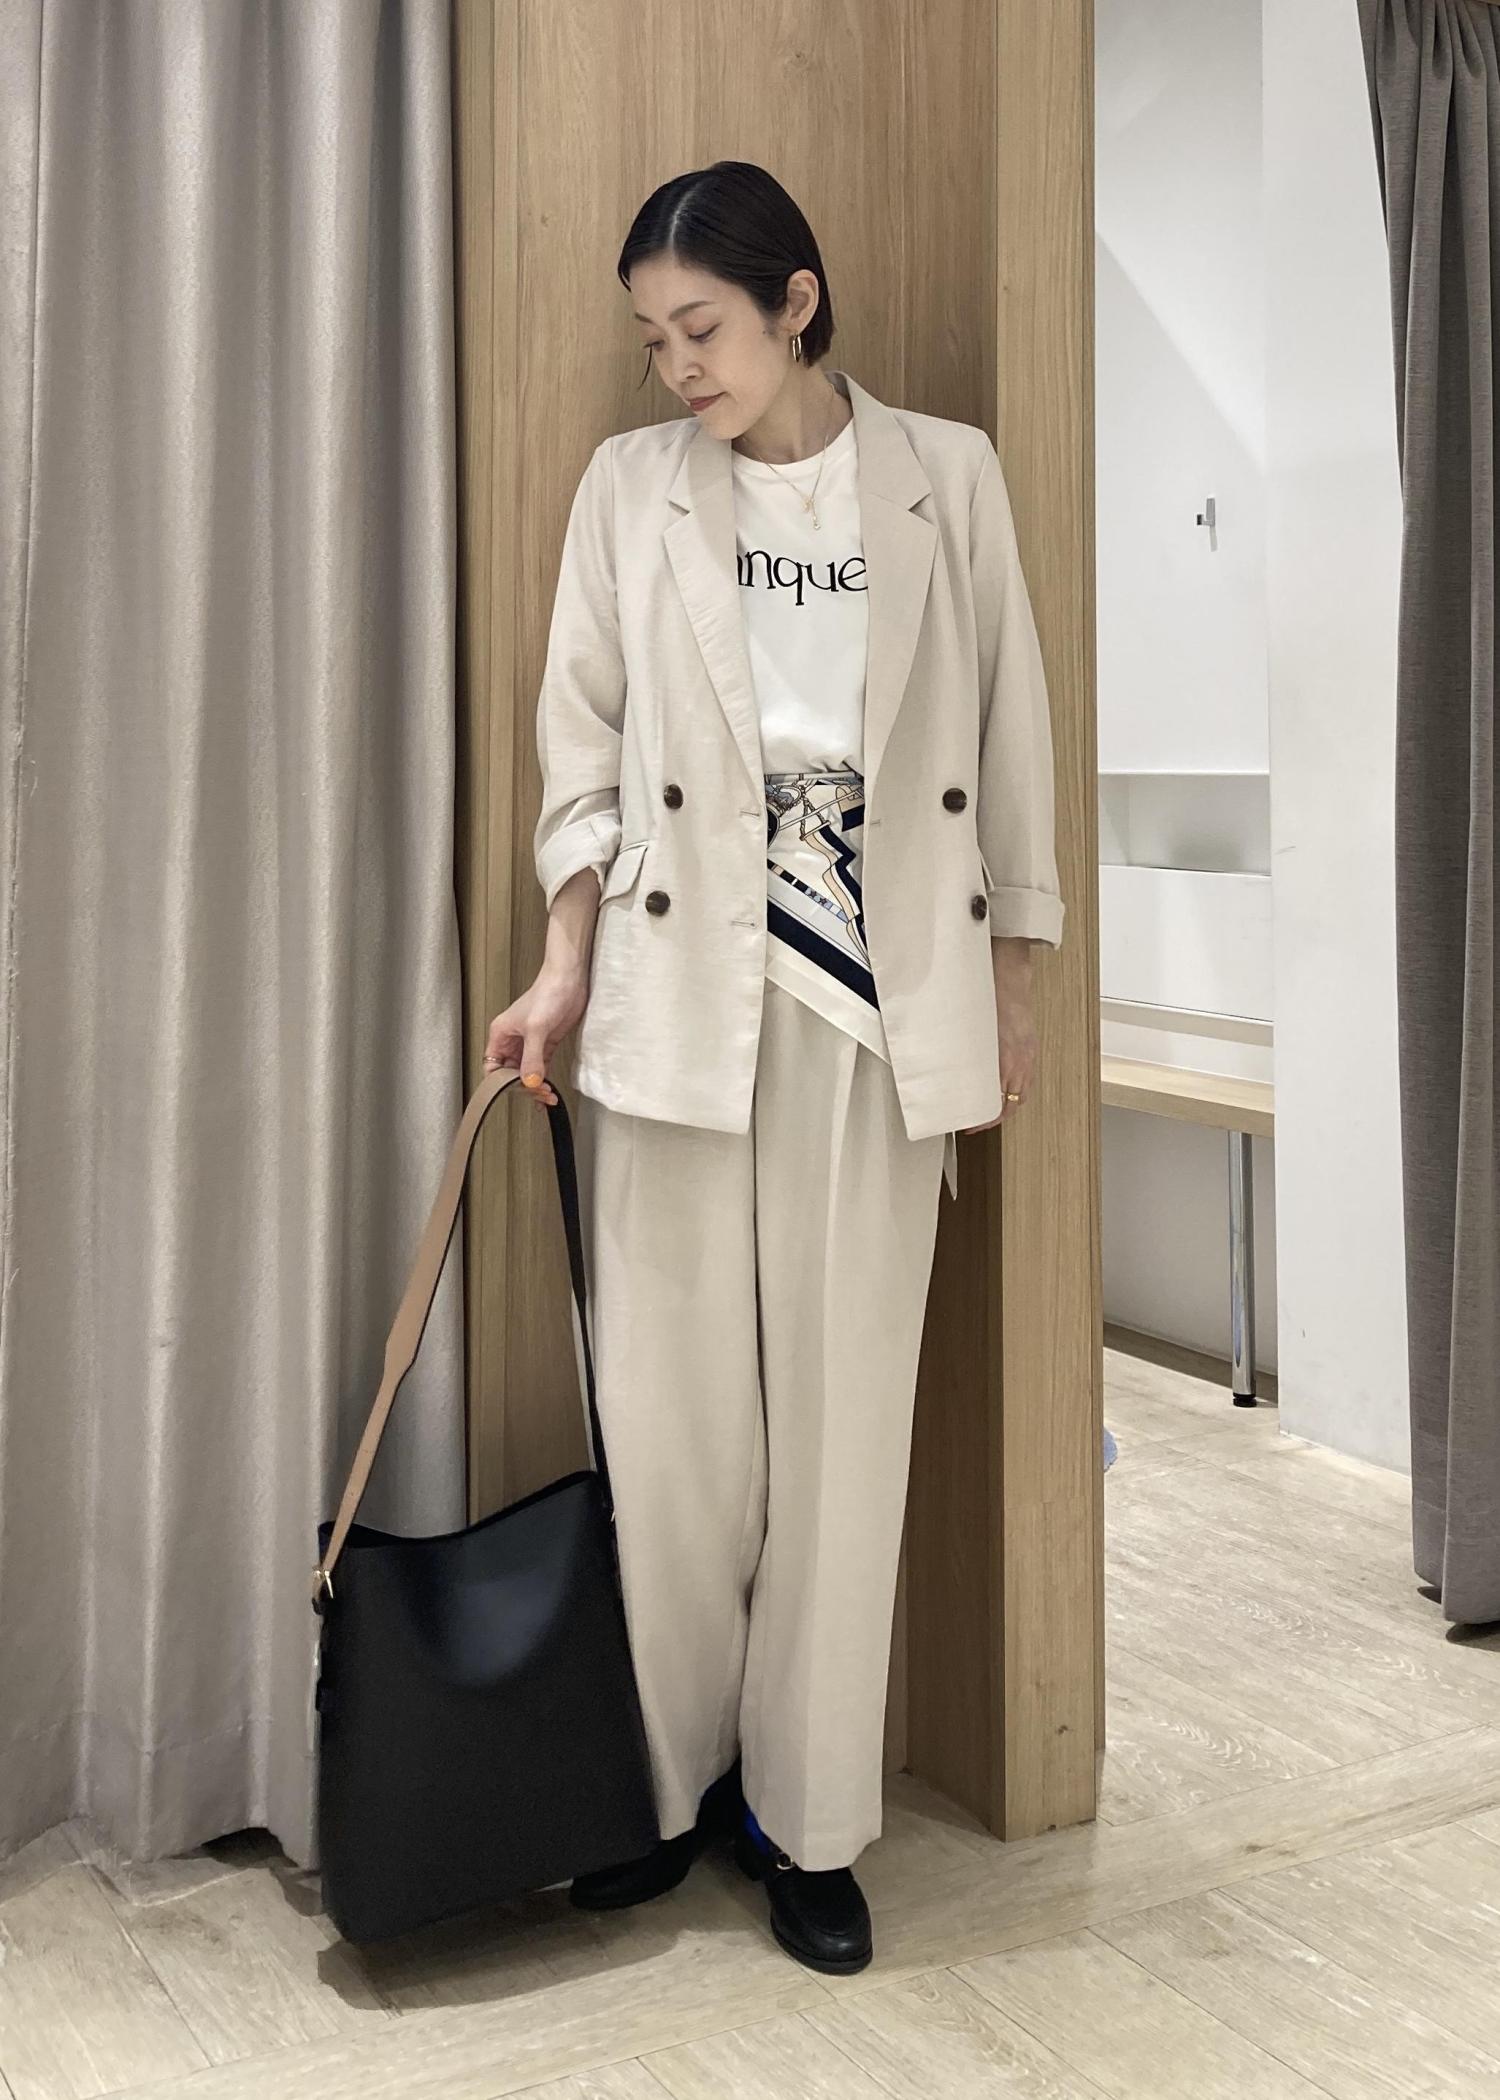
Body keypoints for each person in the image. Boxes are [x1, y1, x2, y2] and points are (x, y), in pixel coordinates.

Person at [483, 160, 1066, 1976]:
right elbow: (581, 740)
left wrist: (1016, 984)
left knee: (841, 1437)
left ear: (796, 302)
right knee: (671, 1438)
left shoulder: (945, 474)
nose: (680, 367)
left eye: (705, 328)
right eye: (654, 339)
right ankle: (664, 1796)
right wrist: (562, 963)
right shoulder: (629, 487)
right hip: (676, 994)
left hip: (878, 1009)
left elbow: (1010, 737)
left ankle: (808, 1826)